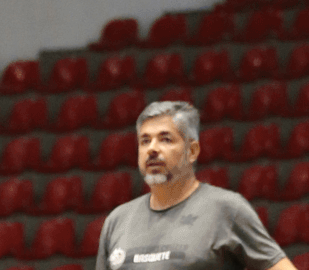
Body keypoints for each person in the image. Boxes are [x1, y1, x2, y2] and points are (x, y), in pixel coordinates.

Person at [96, 101, 294, 270]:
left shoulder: (227, 209)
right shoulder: (117, 221)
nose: (152, 149)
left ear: (192, 151)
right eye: (145, 141)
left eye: (165, 139)